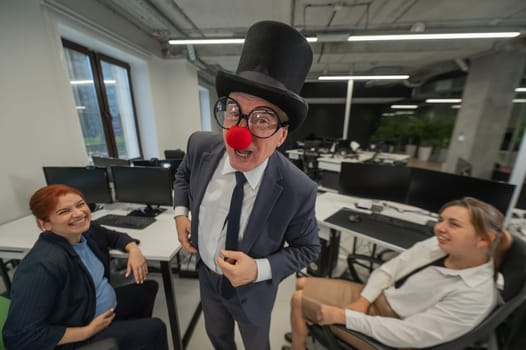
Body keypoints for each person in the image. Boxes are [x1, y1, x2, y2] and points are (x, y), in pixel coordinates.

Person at [173, 20, 320, 350]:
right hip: (208, 276)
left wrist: (259, 269)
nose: (240, 132)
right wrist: (180, 213)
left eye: (263, 118)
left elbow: (308, 248)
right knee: (218, 336)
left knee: (256, 344)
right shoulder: (200, 146)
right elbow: (182, 175)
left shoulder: (299, 189)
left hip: (254, 291)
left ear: (282, 135)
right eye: (234, 111)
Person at [284, 197, 512, 350]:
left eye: (453, 224)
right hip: (382, 302)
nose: (440, 228)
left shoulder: (475, 294)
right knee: (302, 283)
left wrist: (345, 317)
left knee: (298, 299)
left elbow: (409, 334)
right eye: (441, 220)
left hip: (392, 333)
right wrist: (364, 300)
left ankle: (298, 344)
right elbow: (390, 269)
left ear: (484, 239)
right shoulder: (439, 246)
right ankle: (303, 332)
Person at [3, 184, 168, 350]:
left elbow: (115, 237)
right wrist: (87, 331)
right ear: (45, 224)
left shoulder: (85, 231)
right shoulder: (42, 266)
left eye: (80, 204)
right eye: (64, 211)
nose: (78, 213)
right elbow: (19, 337)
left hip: (90, 307)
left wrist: (133, 249)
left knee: (148, 289)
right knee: (155, 329)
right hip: (77, 329)